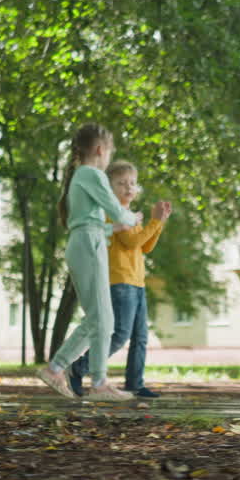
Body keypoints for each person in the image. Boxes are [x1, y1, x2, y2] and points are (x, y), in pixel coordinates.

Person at [36, 124, 141, 401]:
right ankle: (99, 384)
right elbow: (115, 210)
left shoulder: (82, 176)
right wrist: (132, 219)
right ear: (99, 150)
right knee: (104, 319)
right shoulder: (92, 174)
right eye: (110, 152)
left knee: (96, 319)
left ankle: (56, 368)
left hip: (87, 241)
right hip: (88, 245)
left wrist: (113, 229)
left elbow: (91, 222)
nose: (109, 158)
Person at [68, 161, 172, 399]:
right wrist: (154, 222)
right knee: (119, 334)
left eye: (132, 183)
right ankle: (78, 367)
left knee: (140, 337)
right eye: (121, 183)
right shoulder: (111, 213)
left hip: (137, 281)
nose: (128, 187)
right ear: (108, 188)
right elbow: (131, 242)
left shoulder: (130, 216)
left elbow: (144, 246)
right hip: (119, 280)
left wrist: (159, 223)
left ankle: (135, 383)